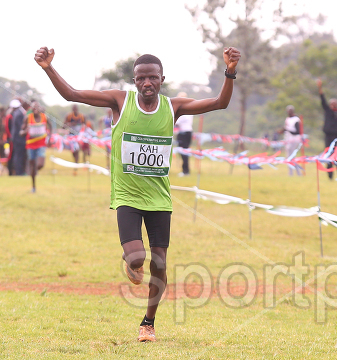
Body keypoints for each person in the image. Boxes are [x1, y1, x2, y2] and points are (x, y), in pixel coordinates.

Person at [35, 45, 240, 342]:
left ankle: (148, 323)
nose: (147, 83)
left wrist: (230, 70)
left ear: (162, 79)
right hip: (127, 196)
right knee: (136, 258)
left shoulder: (173, 107)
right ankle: (131, 262)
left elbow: (219, 103)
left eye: (153, 78)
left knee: (160, 264)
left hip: (159, 198)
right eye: (141, 78)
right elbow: (72, 95)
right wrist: (48, 67)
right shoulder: (119, 101)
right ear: (134, 81)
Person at [20, 102, 50, 192]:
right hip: (31, 144)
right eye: (34, 107)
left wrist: (50, 136)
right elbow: (21, 132)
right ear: (31, 109)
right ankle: (33, 186)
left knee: (40, 165)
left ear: (40, 108)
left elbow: (50, 127)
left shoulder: (45, 117)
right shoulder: (27, 118)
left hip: (41, 144)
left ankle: (34, 170)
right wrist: (25, 131)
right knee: (32, 165)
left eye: (37, 107)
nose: (35, 109)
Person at [278, 105, 302, 176]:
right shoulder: (287, 119)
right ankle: (290, 172)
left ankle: (298, 172)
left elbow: (298, 132)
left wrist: (288, 130)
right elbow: (286, 128)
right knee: (289, 157)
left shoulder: (296, 120)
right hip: (288, 140)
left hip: (294, 140)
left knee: (292, 157)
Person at [174, 92, 193, 177]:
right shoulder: (189, 108)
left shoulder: (185, 110)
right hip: (186, 132)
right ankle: (185, 170)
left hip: (184, 133)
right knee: (183, 152)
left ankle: (186, 171)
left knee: (184, 152)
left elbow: (178, 121)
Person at [63, 104, 85, 174]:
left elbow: (84, 125)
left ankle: (76, 165)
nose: (75, 109)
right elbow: (63, 126)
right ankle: (75, 162)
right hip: (71, 136)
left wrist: (82, 130)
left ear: (77, 109)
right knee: (73, 151)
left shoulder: (81, 116)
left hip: (78, 136)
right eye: (73, 108)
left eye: (76, 108)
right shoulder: (69, 116)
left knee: (77, 150)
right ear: (72, 109)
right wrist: (69, 124)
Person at [9, 99, 27, 175]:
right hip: (19, 139)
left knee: (18, 155)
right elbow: (21, 127)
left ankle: (19, 171)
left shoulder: (16, 113)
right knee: (19, 156)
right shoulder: (19, 114)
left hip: (16, 139)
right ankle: (19, 172)